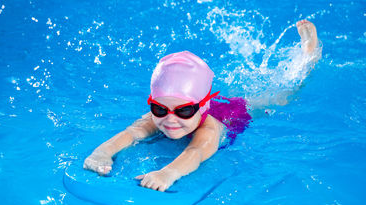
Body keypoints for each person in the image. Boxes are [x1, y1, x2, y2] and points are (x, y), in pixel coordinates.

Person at [83, 20, 319, 192]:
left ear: (201, 107)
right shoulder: (162, 112)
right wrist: (102, 153)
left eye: (184, 111)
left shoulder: (208, 131)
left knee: (284, 95)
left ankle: (308, 58)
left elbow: (194, 153)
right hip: (203, 99)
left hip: (232, 112)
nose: (170, 119)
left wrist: (167, 173)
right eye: (159, 109)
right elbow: (131, 133)